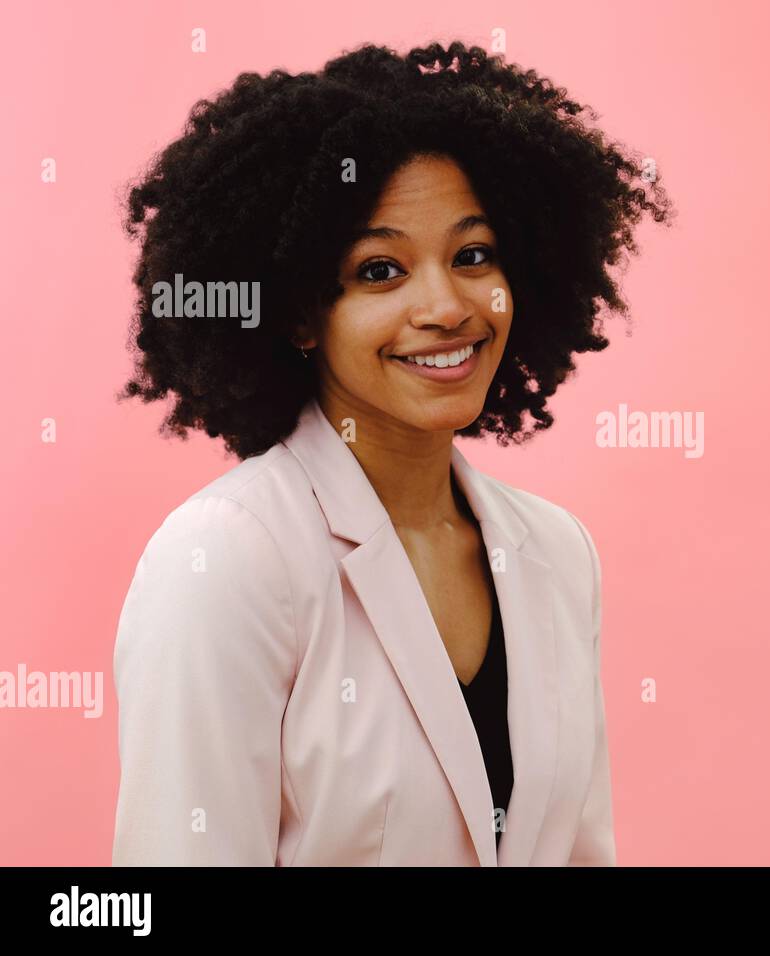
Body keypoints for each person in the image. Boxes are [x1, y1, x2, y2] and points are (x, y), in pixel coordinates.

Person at [110, 39, 672, 866]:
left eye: (473, 256)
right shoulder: (227, 559)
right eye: (381, 270)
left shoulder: (557, 553)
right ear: (303, 314)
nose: (447, 306)